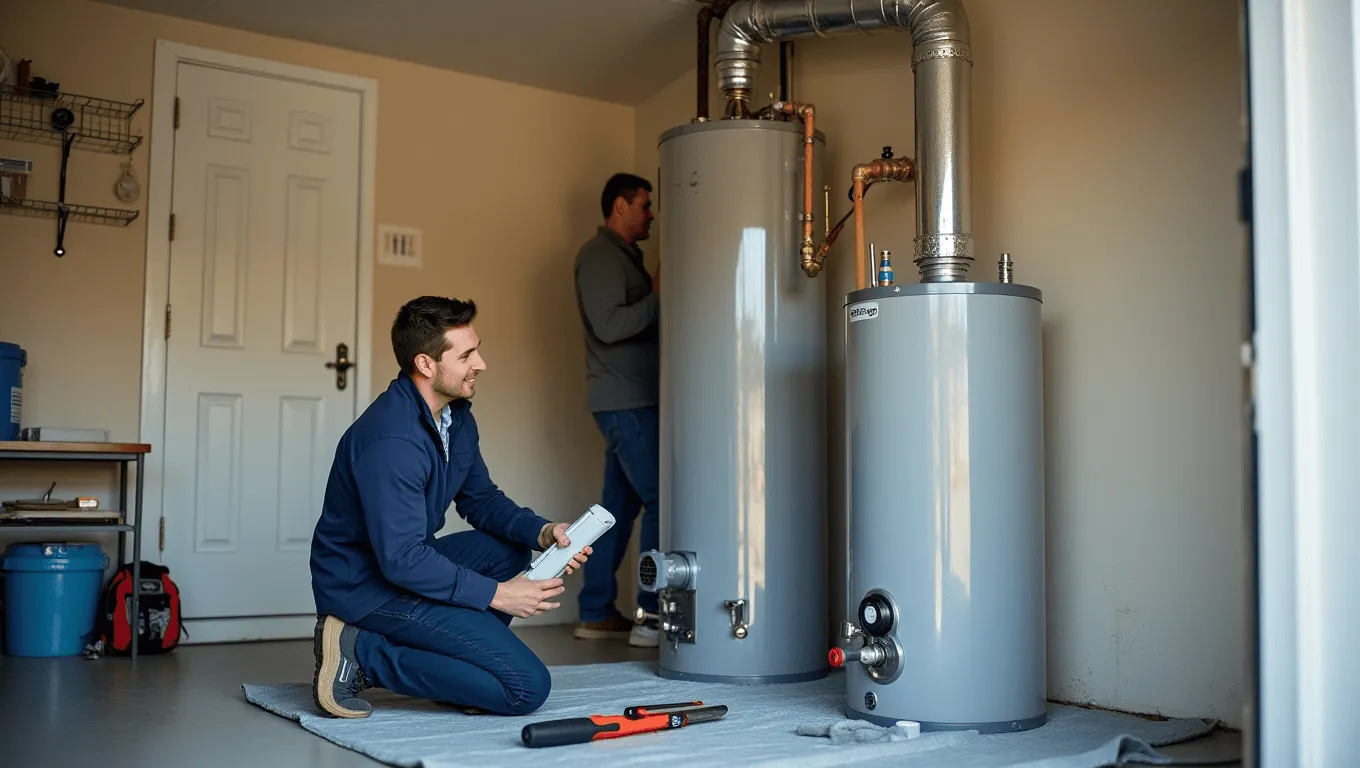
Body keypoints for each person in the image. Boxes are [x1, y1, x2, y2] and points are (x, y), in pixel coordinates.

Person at [309, 295, 591, 719]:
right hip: (364, 587)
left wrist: (543, 531)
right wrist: (498, 595)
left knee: (507, 549)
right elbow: (402, 559)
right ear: (426, 364)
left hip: (399, 567)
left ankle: (456, 669)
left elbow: (481, 501)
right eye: (467, 354)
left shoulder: (454, 418)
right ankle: (363, 652)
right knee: (525, 688)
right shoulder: (392, 441)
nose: (481, 363)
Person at [571, 172, 661, 648]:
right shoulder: (601, 256)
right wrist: (658, 296)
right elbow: (608, 326)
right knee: (663, 499)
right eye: (644, 205)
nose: (651, 214)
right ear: (620, 206)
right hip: (626, 402)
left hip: (628, 399)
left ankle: (596, 611)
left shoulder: (624, 257)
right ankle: (651, 615)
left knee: (614, 511)